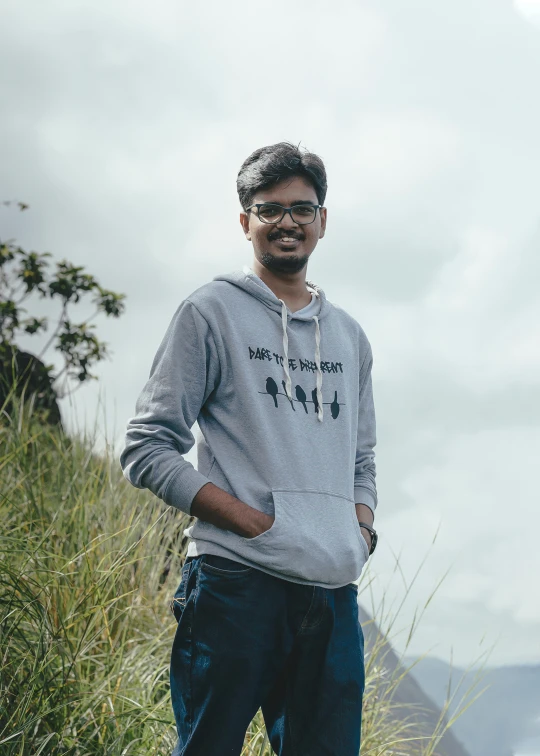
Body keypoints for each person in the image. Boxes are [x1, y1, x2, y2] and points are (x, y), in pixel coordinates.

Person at [120, 141, 379, 756]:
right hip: (235, 586)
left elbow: (361, 459)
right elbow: (147, 446)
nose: (287, 221)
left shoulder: (348, 336)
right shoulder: (209, 313)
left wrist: (361, 530)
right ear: (246, 222)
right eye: (269, 209)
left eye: (302, 208)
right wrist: (255, 525)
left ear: (322, 221)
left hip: (332, 595)